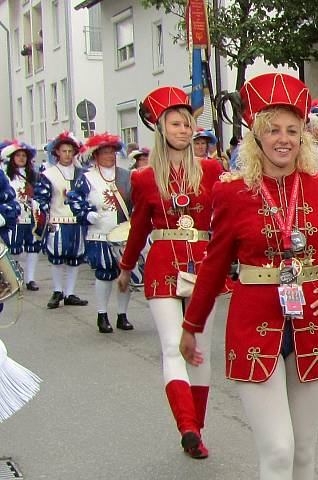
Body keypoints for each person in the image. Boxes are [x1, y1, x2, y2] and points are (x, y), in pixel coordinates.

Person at [178, 72, 318, 480]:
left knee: (304, 453)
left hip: (314, 325)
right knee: (277, 449)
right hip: (253, 325)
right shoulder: (232, 192)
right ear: (256, 136)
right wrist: (190, 325)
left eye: (292, 129)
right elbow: (214, 265)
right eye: (273, 130)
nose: (283, 138)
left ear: (303, 136)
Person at [116, 86, 224, 459]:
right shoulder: (144, 178)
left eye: (188, 124)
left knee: (201, 350)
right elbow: (139, 227)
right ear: (160, 128)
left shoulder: (212, 170)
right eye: (176, 123)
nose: (184, 130)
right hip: (163, 264)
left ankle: (198, 428)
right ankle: (187, 426)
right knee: (172, 347)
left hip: (203, 264)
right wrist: (127, 267)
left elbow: (226, 219)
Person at [68, 133, 134, 334]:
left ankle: (122, 315)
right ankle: (102, 314)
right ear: (95, 155)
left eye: (112, 152)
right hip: (99, 234)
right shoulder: (87, 178)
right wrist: (87, 215)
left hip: (123, 233)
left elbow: (137, 200)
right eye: (105, 152)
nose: (110, 156)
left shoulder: (126, 175)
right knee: (105, 275)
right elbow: (74, 201)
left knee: (126, 274)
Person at [34, 132, 89, 309]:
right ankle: (58, 290)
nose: (67, 154)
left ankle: (70, 293)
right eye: (64, 151)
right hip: (57, 220)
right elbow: (41, 199)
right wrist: (46, 218)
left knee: (75, 257)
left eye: (70, 151)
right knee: (57, 256)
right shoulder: (48, 174)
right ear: (57, 152)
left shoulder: (83, 174)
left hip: (77, 221)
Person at [3, 140, 40, 291]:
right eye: (18, 155)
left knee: (33, 247)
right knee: (14, 248)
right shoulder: (6, 176)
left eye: (24, 155)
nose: (21, 158)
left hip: (31, 217)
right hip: (15, 218)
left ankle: (30, 278)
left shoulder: (33, 175)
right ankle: (14, 277)